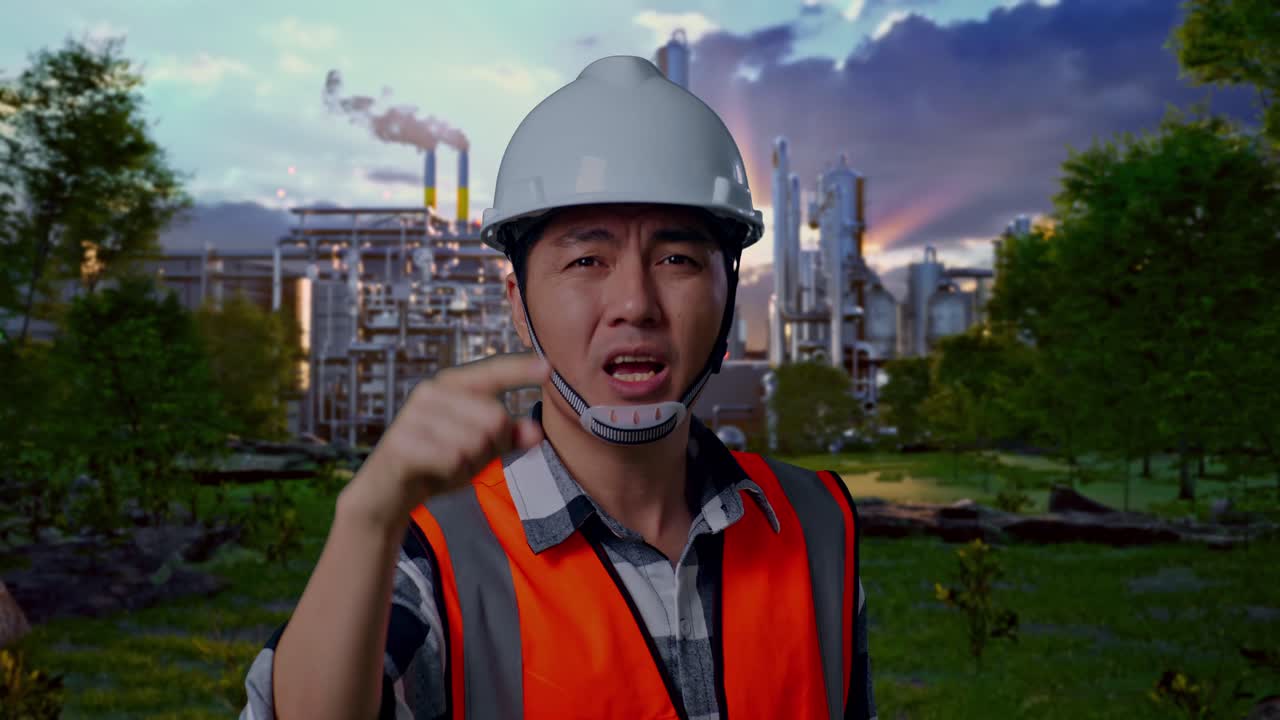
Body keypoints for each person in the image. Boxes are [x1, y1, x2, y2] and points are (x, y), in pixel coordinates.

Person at [241, 55, 875, 720]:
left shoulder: (815, 522)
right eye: (585, 260)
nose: (635, 302)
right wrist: (366, 516)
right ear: (519, 304)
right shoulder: (434, 553)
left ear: (729, 292)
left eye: (677, 259)